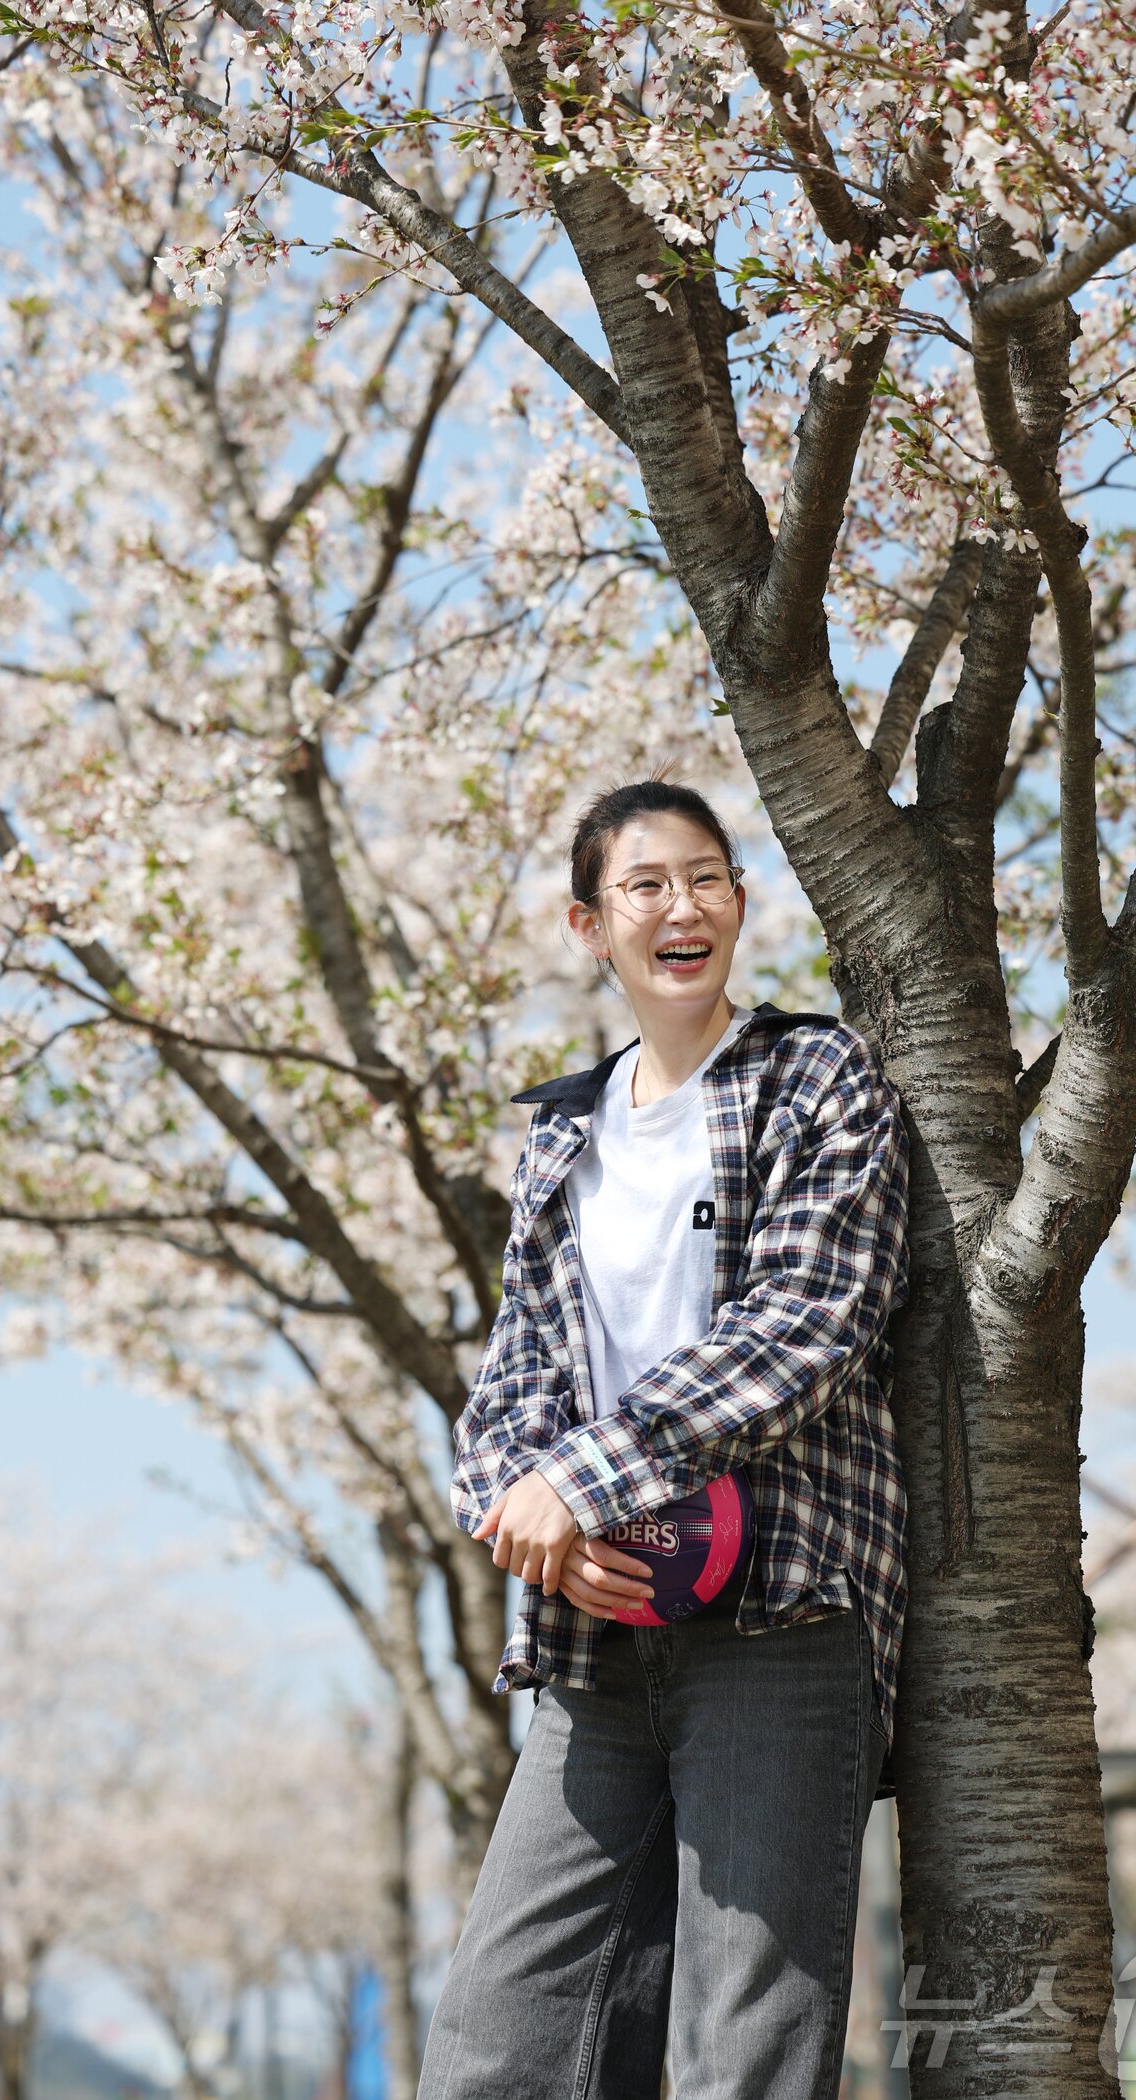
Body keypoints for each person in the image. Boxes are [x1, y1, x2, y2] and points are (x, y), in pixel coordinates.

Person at [417, 771, 911, 2100]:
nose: (680, 907)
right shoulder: (562, 1132)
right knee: (495, 2042)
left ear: (742, 904)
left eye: (706, 879)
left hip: (785, 1611)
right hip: (597, 1629)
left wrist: (580, 1478)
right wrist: (523, 1515)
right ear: (592, 926)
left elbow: (809, 1320)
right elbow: (517, 1362)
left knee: (739, 2048)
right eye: (645, 885)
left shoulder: (818, 1075)